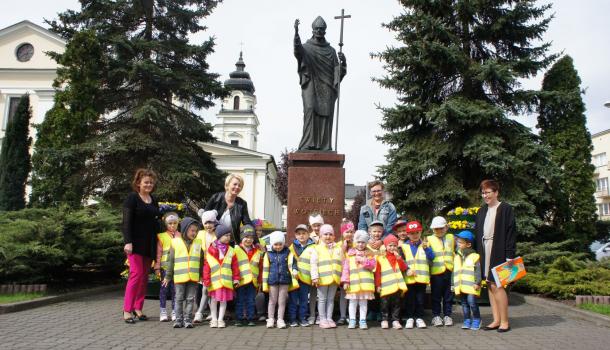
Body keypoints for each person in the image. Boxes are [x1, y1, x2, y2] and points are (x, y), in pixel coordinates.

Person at [293, 17, 347, 151]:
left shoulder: (331, 51)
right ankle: (307, 143)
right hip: (311, 81)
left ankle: (324, 146)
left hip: (327, 86)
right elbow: (298, 51)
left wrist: (343, 63)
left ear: (325, 31)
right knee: (310, 109)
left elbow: (337, 71)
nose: (319, 31)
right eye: (316, 28)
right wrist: (296, 32)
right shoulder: (306, 47)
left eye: (321, 29)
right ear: (312, 30)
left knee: (326, 115)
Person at [475, 179, 516, 333]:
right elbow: (478, 232)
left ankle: (505, 321)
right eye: (483, 192)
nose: (485, 195)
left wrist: (509, 255)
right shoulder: (481, 211)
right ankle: (496, 320)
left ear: (496, 192)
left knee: (497, 285)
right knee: (489, 285)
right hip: (484, 249)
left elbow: (510, 232)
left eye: (488, 192)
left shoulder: (505, 209)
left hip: (499, 249)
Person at [121, 168, 160, 324]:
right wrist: (127, 241)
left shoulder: (153, 199)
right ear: (138, 183)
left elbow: (156, 222)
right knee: (136, 275)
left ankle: (138, 308)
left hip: (149, 243)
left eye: (151, 182)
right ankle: (127, 310)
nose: (149, 184)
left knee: (144, 277)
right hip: (135, 244)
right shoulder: (132, 198)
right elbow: (126, 222)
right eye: (146, 182)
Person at [162, 217, 203, 329]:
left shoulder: (199, 243)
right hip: (180, 277)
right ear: (185, 230)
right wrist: (168, 276)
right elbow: (170, 261)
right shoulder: (175, 242)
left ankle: (188, 320)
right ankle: (178, 320)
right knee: (179, 298)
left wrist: (202, 275)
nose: (194, 233)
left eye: (196, 231)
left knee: (190, 299)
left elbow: (201, 260)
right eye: (192, 230)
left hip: (193, 277)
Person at [202, 224, 239, 328]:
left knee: (223, 301)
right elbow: (206, 266)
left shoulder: (231, 250)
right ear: (219, 236)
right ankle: (214, 319)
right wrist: (206, 279)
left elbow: (235, 266)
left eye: (229, 235)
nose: (228, 237)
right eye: (226, 235)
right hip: (214, 281)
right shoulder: (211, 250)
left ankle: (220, 319)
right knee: (213, 300)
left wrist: (236, 278)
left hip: (226, 281)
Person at [400, 221, 434, 329]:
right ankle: (410, 318)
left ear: (420, 232)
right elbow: (401, 261)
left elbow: (432, 257)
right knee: (410, 299)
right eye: (412, 233)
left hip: (421, 278)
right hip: (409, 278)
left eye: (417, 233)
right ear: (408, 234)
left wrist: (426, 248)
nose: (415, 235)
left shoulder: (425, 245)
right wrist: (407, 270)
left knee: (420, 299)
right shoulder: (404, 246)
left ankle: (419, 318)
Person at [262, 231, 299, 329]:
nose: (278, 246)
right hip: (272, 280)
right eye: (276, 244)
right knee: (272, 300)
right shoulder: (268, 254)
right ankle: (270, 319)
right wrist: (265, 283)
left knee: (282, 301)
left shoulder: (288, 252)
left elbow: (293, 263)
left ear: (283, 243)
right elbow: (265, 269)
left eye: (280, 244)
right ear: (272, 244)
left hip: (285, 280)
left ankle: (280, 319)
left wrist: (295, 270)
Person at [341, 230, 376, 329]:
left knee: (363, 303)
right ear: (355, 242)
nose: (360, 244)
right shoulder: (350, 254)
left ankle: (362, 320)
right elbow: (346, 269)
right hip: (353, 284)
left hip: (365, 285)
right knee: (352, 302)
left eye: (363, 242)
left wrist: (364, 261)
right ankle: (352, 320)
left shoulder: (370, 254)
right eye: (358, 242)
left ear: (366, 243)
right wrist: (346, 281)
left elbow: (373, 266)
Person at [311, 224, 343, 329]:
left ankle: (329, 318)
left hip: (334, 278)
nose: (328, 236)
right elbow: (313, 264)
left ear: (334, 236)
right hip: (322, 278)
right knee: (322, 299)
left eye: (330, 234)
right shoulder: (317, 249)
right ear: (320, 236)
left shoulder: (338, 248)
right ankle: (322, 318)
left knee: (330, 299)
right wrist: (315, 277)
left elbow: (342, 262)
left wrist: (342, 276)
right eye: (325, 234)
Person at [205, 173, 252, 243]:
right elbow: (204, 218)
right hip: (212, 240)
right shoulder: (215, 198)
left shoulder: (242, 204)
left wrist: (256, 242)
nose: (237, 187)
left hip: (231, 242)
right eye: (235, 184)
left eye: (240, 186)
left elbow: (247, 224)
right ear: (227, 185)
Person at [375, 234, 408, 329]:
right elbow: (378, 273)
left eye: (394, 245)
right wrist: (378, 285)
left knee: (396, 304)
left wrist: (399, 258)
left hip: (397, 285)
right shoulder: (381, 257)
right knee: (384, 304)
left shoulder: (398, 257)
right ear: (385, 246)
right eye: (390, 245)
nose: (392, 247)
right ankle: (384, 319)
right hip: (385, 286)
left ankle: (395, 320)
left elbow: (403, 268)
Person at [428, 216, 455, 327]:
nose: (439, 231)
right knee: (436, 295)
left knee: (448, 295)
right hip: (436, 272)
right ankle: (436, 316)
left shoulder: (451, 237)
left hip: (449, 270)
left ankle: (448, 315)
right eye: (436, 229)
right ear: (433, 229)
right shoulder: (429, 239)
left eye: (441, 228)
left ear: (446, 227)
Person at [453, 230, 482, 330]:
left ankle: (477, 319)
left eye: (460, 242)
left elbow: (477, 270)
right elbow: (456, 272)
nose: (458, 244)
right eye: (458, 242)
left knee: (472, 303)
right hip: (461, 286)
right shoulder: (457, 256)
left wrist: (478, 282)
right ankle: (467, 320)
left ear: (468, 244)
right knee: (464, 304)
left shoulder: (474, 256)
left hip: (472, 286)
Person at [234, 225, 262, 327]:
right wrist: (235, 278)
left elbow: (260, 267)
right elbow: (234, 266)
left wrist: (259, 280)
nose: (249, 240)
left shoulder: (257, 251)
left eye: (251, 237)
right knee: (240, 300)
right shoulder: (236, 250)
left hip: (252, 281)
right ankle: (239, 318)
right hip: (240, 280)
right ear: (242, 237)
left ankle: (250, 318)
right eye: (246, 237)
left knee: (251, 300)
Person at [288, 224, 315, 327]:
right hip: (294, 278)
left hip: (306, 278)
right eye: (299, 234)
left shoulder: (313, 247)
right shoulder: (291, 247)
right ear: (295, 235)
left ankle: (302, 318)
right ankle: (293, 319)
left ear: (308, 234)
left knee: (304, 300)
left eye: (304, 233)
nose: (301, 236)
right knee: (293, 300)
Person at [193, 209, 218, 323]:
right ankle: (201, 312)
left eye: (211, 222)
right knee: (205, 290)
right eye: (206, 223)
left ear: (215, 223)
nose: (208, 225)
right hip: (203, 266)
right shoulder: (200, 234)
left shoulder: (218, 234)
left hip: (215, 266)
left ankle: (207, 313)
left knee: (210, 290)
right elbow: (196, 251)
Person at [155, 212, 179, 322]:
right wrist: (157, 267)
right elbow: (158, 253)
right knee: (164, 289)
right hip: (165, 268)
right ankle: (163, 311)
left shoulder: (181, 235)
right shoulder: (161, 236)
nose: (172, 225)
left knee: (175, 290)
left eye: (175, 223)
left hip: (178, 267)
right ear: (166, 224)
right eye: (170, 223)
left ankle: (175, 311)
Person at [337, 219, 355, 325]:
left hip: (355, 274)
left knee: (354, 296)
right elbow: (339, 259)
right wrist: (343, 249)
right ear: (342, 233)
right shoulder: (339, 245)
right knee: (343, 295)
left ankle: (352, 316)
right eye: (347, 232)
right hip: (343, 274)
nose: (349, 234)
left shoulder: (357, 244)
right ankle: (343, 316)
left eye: (351, 232)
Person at [307, 212, 324, 324]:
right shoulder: (308, 237)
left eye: (318, 225)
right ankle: (312, 315)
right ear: (311, 226)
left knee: (322, 296)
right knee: (312, 295)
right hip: (313, 270)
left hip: (323, 269)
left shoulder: (327, 235)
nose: (317, 227)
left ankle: (320, 316)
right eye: (314, 225)